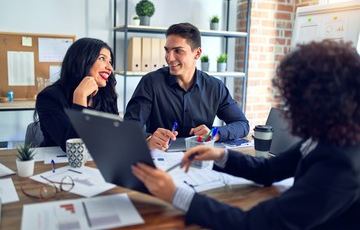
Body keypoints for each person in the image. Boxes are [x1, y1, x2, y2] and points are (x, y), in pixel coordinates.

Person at [132, 40, 360, 229]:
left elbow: (252, 224)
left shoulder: (343, 165)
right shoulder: (329, 137)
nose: (290, 108)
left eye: (296, 101)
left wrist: (174, 194)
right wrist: (218, 155)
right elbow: (269, 170)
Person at [124, 22, 249, 151]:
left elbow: (242, 125)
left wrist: (214, 133)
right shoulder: (150, 82)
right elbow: (129, 128)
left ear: (197, 53)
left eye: (178, 51)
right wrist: (148, 140)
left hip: (199, 160)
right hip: (160, 159)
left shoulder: (215, 87)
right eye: (167, 50)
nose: (169, 58)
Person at [36, 37, 118, 152]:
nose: (109, 68)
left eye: (110, 61)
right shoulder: (49, 97)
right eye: (102, 58)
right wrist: (80, 97)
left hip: (96, 162)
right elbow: (73, 148)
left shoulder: (106, 95)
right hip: (57, 163)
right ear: (82, 60)